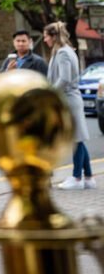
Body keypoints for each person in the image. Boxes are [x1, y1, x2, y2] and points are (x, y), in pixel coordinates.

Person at [44, 21, 94, 191]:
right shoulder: (64, 51)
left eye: (46, 36)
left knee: (75, 139)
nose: (44, 40)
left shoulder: (64, 53)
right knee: (78, 137)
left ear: (53, 36)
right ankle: (88, 177)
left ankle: (77, 177)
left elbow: (64, 79)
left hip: (68, 100)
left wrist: (50, 93)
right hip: (70, 99)